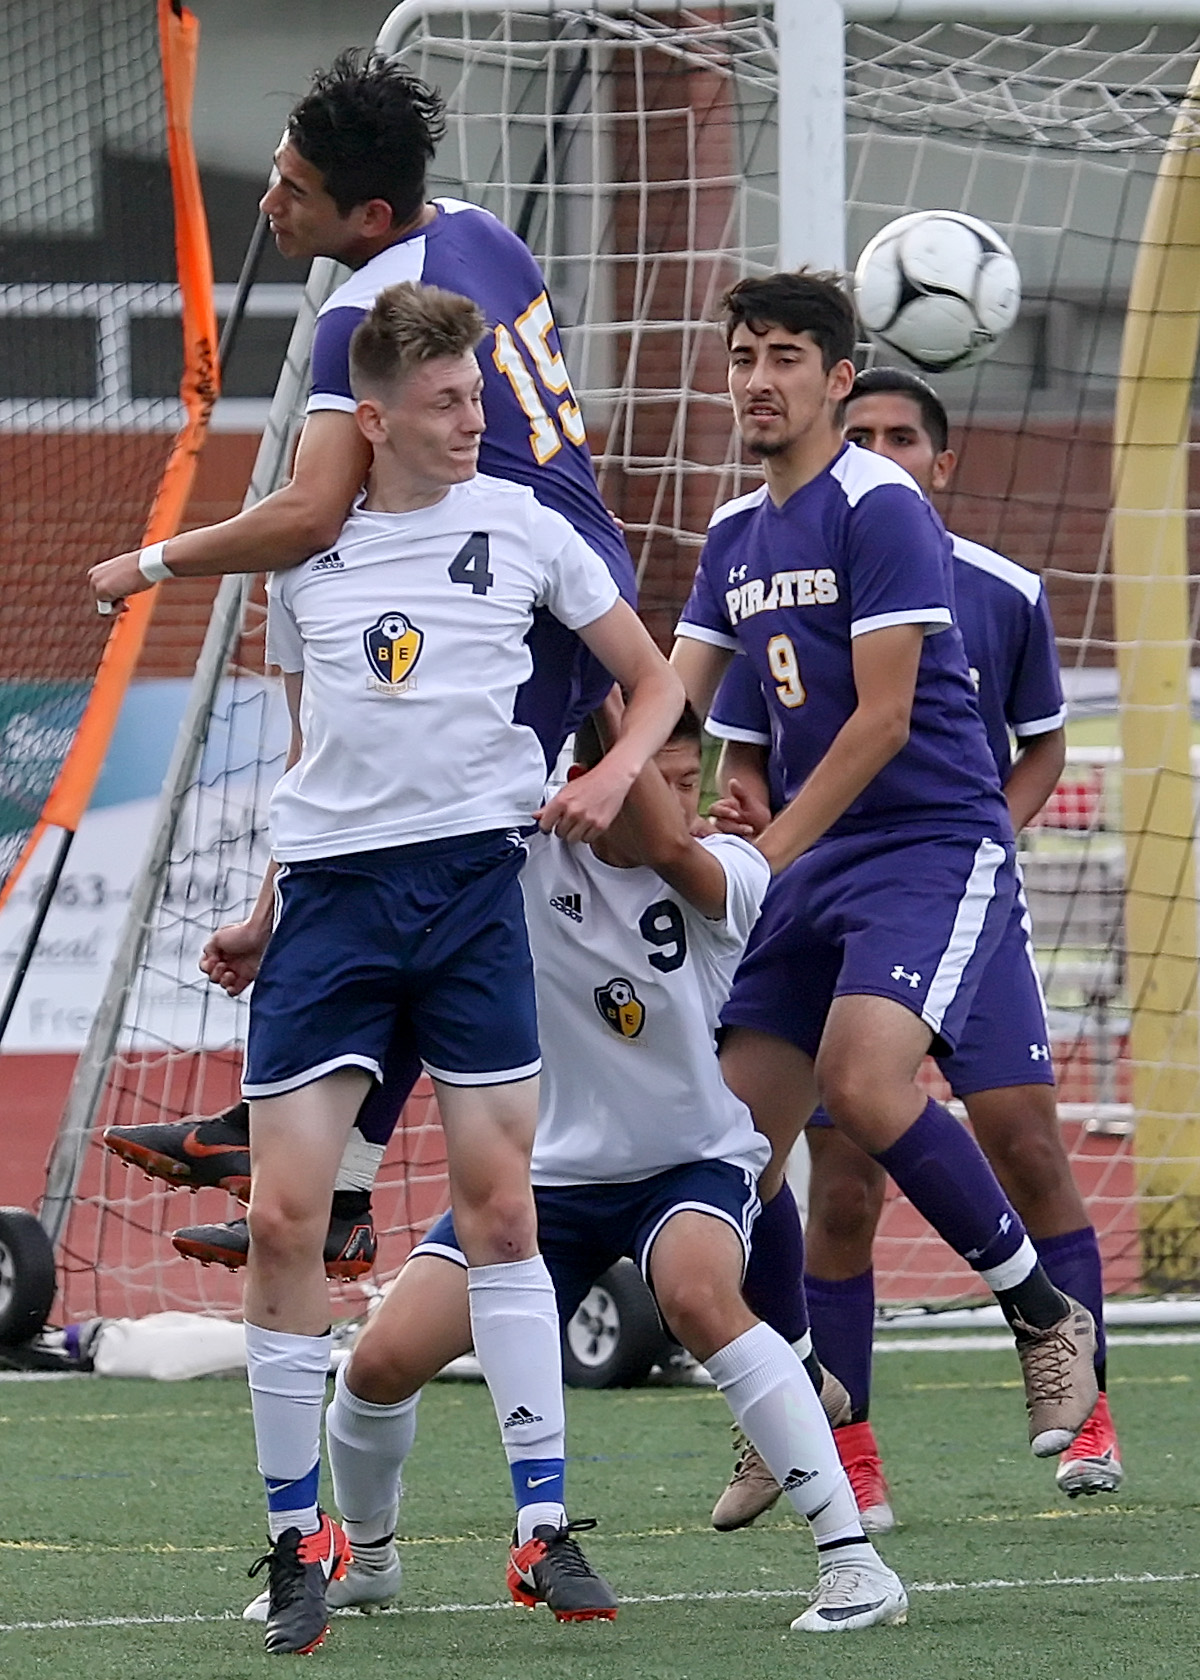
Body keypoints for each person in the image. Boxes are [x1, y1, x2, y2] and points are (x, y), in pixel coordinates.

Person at [99, 50, 639, 1267]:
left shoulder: (364, 309)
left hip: (517, 594)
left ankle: (329, 1177)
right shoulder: (486, 234)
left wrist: (146, 563)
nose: (268, 202)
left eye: (292, 188)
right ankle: (307, 1164)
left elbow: (311, 511)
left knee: (430, 864)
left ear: (372, 216)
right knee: (370, 815)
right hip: (523, 576)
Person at [205, 278, 682, 1654]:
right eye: (449, 401)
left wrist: (616, 781)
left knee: (503, 1214)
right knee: (289, 1223)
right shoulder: (311, 562)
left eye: (479, 394)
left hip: (477, 895)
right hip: (337, 916)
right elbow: (318, 762)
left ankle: (541, 1528)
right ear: (379, 418)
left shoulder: (531, 528)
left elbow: (652, 686)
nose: (478, 419)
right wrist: (263, 901)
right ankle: (302, 1538)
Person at [236, 702, 907, 1636]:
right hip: (541, 1186)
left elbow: (671, 847)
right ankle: (370, 1558)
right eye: (664, 783)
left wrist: (608, 681)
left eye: (690, 784)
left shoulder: (731, 872)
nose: (684, 806)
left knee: (700, 1297)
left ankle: (854, 1562)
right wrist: (270, 918)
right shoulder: (523, 850)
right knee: (378, 1367)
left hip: (687, 1165)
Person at [668, 272, 1099, 1505]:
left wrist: (763, 852)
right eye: (744, 353)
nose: (759, 377)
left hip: (926, 842)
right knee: (722, 1150)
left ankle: (1040, 1313)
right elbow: (673, 699)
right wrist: (588, 766)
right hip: (815, 861)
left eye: (788, 355)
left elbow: (881, 721)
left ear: (837, 377)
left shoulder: (879, 506)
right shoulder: (735, 534)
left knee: (863, 1085)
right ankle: (792, 1392)